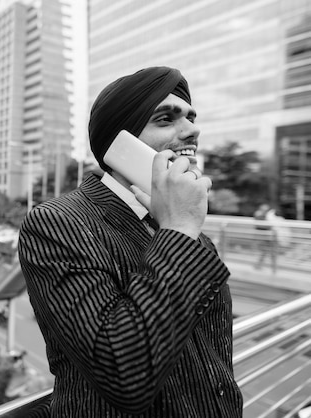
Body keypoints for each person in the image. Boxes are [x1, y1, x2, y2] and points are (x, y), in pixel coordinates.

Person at [18, 67, 243, 416]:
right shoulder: (57, 222)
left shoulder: (191, 233)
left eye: (191, 118)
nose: (192, 130)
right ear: (120, 146)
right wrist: (180, 227)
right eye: (166, 118)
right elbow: (124, 373)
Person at [253, 203, 277, 269]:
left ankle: (261, 265)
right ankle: (258, 266)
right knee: (262, 252)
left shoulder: (266, 216)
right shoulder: (258, 215)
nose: (265, 211)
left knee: (267, 252)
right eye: (264, 209)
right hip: (261, 237)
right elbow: (259, 224)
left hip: (267, 237)